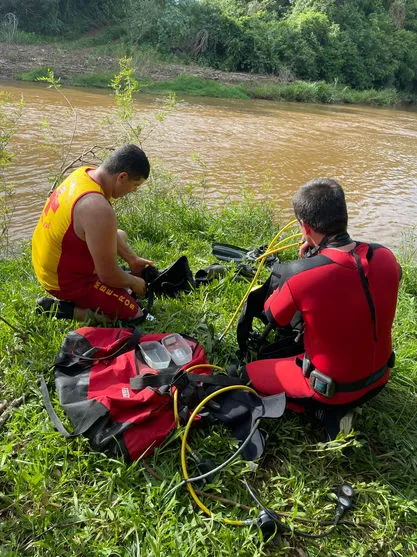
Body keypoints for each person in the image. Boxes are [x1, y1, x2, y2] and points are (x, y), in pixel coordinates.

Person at [245, 178, 401, 436]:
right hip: (381, 379)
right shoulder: (386, 256)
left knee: (251, 373)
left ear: (305, 226)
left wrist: (303, 266)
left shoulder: (302, 275)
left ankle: (327, 413)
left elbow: (274, 316)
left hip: (333, 390)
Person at [32, 144, 153, 322]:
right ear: (122, 177)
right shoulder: (97, 207)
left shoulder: (84, 173)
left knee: (121, 235)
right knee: (133, 314)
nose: (133, 191)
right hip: (62, 281)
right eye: (134, 185)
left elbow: (107, 232)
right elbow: (108, 275)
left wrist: (132, 260)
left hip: (46, 261)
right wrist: (135, 283)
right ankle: (60, 309)